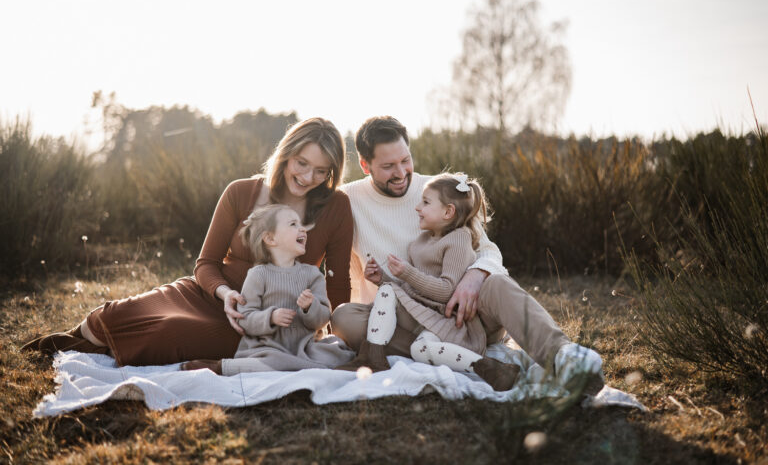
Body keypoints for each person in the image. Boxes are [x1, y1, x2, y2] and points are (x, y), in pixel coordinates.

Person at [22, 117, 354, 366]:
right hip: (210, 294)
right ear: (287, 155)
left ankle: (90, 348)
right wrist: (224, 294)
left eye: (321, 171)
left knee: (171, 332)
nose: (309, 178)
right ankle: (84, 337)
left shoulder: (336, 206)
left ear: (331, 172)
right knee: (117, 313)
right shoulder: (241, 191)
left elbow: (337, 284)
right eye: (302, 164)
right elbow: (206, 264)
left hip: (262, 321)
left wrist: (320, 328)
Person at [332, 116, 604, 394]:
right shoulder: (347, 201)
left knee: (496, 283)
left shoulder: (438, 190)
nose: (401, 173)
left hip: (465, 314)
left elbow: (488, 250)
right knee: (344, 319)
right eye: (388, 166)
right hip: (409, 322)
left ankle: (564, 357)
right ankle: (474, 361)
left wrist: (474, 276)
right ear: (365, 165)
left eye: (405, 160)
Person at [336, 172, 521, 391]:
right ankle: (374, 357)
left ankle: (487, 367)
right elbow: (412, 289)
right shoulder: (419, 243)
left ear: (448, 211)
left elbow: (446, 291)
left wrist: (406, 272)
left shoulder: (458, 239)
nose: (417, 208)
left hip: (446, 317)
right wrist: (382, 278)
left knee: (416, 343)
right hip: (424, 313)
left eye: (425, 202)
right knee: (414, 341)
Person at [182, 204, 354, 375]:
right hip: (268, 347)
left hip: (304, 346)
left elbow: (323, 318)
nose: (303, 229)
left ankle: (302, 364)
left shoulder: (312, 274)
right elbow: (245, 318)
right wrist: (270, 317)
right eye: (293, 224)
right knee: (273, 361)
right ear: (270, 239)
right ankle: (222, 367)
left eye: (301, 224)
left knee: (338, 352)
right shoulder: (258, 275)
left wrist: (310, 307)